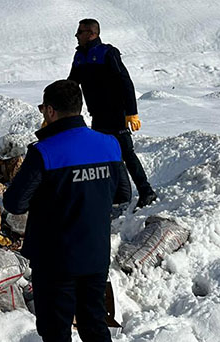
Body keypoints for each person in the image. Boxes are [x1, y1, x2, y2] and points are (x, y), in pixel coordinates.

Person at [3, 80, 131, 342]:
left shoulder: (45, 152)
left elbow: (15, 203)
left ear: (49, 110)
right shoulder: (109, 144)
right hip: (95, 255)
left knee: (57, 333)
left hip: (55, 259)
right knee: (94, 326)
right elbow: (123, 193)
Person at [68, 18, 157, 209]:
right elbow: (71, 86)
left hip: (116, 114)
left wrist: (131, 113)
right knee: (102, 155)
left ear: (92, 34)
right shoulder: (79, 57)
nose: (76, 36)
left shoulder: (107, 53)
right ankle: (115, 194)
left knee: (126, 153)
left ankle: (146, 192)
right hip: (98, 116)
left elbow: (125, 82)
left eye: (80, 32)